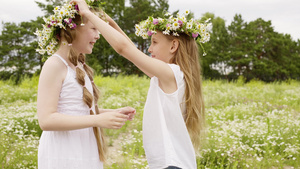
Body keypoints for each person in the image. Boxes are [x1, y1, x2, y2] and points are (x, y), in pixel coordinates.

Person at [72, 0, 211, 168]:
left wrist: (87, 14)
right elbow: (132, 50)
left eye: (155, 42)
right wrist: (111, 23)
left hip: (171, 164)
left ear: (174, 45)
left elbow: (124, 49)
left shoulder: (171, 73)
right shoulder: (171, 75)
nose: (150, 49)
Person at [35, 1, 136, 169]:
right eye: (94, 28)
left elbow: (76, 111)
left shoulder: (79, 65)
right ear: (72, 29)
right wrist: (98, 119)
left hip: (85, 148)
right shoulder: (54, 65)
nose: (98, 35)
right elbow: (46, 120)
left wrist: (111, 114)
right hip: (64, 152)